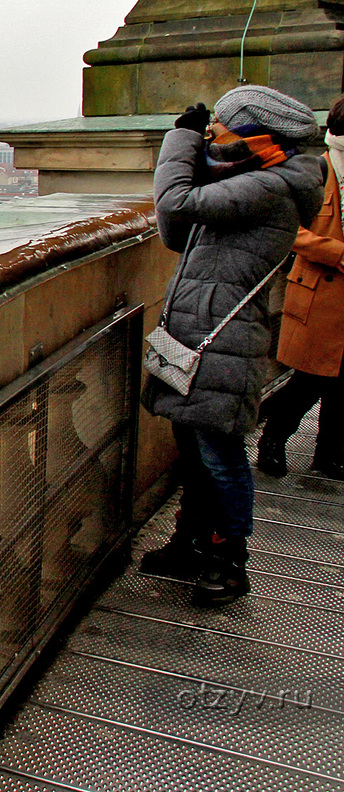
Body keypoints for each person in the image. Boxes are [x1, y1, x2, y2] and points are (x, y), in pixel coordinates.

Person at [139, 85, 326, 606]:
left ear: (251, 136)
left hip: (225, 339)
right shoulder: (247, 180)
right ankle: (192, 541)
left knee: (221, 454)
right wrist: (199, 155)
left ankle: (230, 558)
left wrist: (178, 141)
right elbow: (176, 230)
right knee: (194, 450)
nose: (209, 135)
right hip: (201, 333)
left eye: (218, 128)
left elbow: (175, 200)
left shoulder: (271, 187)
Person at [257, 94, 344, 479]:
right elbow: (291, 230)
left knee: (343, 384)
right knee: (310, 380)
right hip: (320, 292)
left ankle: (330, 454)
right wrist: (337, 252)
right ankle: (273, 438)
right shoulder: (317, 171)